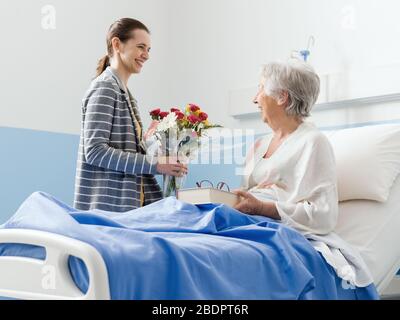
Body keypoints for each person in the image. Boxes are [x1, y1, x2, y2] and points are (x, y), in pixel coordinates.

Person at [233, 61, 373, 287]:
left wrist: (262, 208)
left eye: (260, 88)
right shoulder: (259, 145)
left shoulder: (313, 142)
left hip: (276, 230)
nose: (255, 98)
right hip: (244, 223)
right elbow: (246, 196)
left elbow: (323, 215)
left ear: (282, 98)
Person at [74, 18, 187, 212]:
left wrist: (157, 150)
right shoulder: (105, 88)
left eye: (149, 49)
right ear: (117, 44)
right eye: (141, 47)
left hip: (131, 207)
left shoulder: (126, 95)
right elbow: (94, 152)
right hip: (107, 211)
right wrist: (156, 164)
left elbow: (124, 151)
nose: (146, 55)